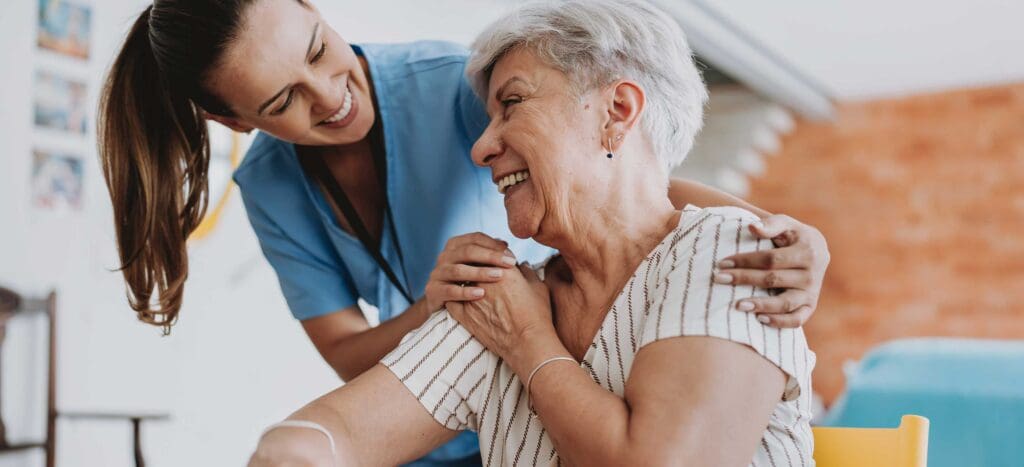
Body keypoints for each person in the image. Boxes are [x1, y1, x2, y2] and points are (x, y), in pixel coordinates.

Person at [97, 0, 828, 465]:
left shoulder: (457, 85)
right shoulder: (274, 189)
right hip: (449, 407)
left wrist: (773, 230)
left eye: (319, 50)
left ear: (313, 7)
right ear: (237, 122)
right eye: (284, 98)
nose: (330, 97)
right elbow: (340, 385)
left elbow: (617, 182)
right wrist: (439, 308)